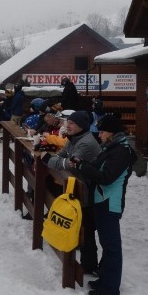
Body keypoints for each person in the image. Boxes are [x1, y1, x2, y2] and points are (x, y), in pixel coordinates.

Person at [69, 114, 137, 295]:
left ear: (111, 133)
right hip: (101, 200)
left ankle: (110, 288)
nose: (99, 136)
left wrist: (83, 166)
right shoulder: (111, 148)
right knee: (107, 244)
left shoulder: (122, 152)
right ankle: (104, 279)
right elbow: (98, 168)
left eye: (102, 132)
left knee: (112, 246)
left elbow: (106, 177)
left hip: (109, 203)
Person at [39, 110, 102, 275]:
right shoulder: (74, 139)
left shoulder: (86, 143)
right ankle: (85, 260)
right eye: (68, 123)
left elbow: (67, 164)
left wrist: (47, 159)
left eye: (71, 123)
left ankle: (89, 265)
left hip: (89, 191)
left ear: (81, 126)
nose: (67, 125)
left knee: (87, 229)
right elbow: (61, 156)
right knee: (81, 226)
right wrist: (55, 160)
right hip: (79, 189)